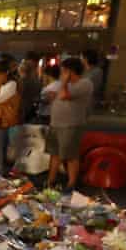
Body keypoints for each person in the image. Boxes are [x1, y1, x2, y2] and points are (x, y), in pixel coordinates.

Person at [45, 57, 93, 191]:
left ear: (70, 71)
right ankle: (50, 181)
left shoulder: (85, 83)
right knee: (54, 154)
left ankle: (71, 183)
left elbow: (64, 96)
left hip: (71, 125)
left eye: (64, 71)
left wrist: (64, 83)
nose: (61, 74)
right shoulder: (62, 83)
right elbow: (50, 96)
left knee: (70, 156)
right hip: (55, 123)